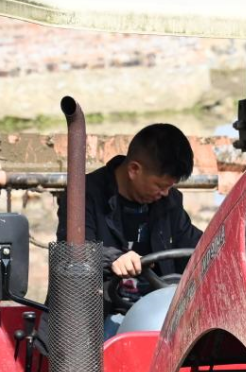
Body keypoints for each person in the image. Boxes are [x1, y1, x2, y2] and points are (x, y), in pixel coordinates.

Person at [55, 122, 203, 327]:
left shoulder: (169, 203)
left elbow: (192, 244)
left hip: (157, 316)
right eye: (160, 186)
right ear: (134, 169)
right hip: (95, 319)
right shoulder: (83, 196)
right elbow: (74, 253)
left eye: (170, 187)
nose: (165, 193)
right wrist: (115, 259)